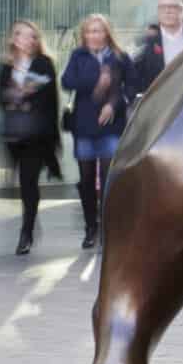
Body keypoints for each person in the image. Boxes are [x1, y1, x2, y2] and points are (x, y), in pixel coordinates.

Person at [61, 15, 132, 250]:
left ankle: (109, 227)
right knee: (87, 180)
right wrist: (97, 80)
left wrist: (114, 103)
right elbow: (67, 81)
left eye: (98, 31)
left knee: (110, 180)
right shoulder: (78, 56)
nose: (94, 35)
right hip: (84, 128)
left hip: (111, 128)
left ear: (107, 33)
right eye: (90, 31)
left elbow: (133, 86)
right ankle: (91, 227)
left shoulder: (120, 57)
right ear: (84, 35)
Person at [0, 21, 61, 256]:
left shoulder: (44, 64)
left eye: (33, 36)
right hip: (14, 134)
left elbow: (50, 100)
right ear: (14, 39)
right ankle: (30, 216)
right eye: (22, 36)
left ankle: (27, 232)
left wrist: (28, 101)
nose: (28, 40)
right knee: (16, 185)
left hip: (37, 135)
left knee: (28, 181)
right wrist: (13, 97)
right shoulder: (6, 66)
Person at [128, 0, 183, 102]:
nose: (167, 11)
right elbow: (132, 78)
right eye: (163, 7)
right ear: (158, 11)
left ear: (181, 10)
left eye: (172, 7)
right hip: (158, 109)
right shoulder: (144, 43)